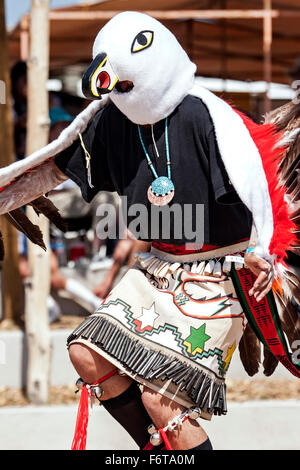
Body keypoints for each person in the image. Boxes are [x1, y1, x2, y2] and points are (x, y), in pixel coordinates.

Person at [0, 12, 299, 451]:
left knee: (161, 400)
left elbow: (258, 179)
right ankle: (156, 451)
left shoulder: (205, 115)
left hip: (219, 273)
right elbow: (51, 166)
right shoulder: (109, 119)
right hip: (156, 267)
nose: (121, 92)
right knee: (86, 352)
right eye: (115, 87)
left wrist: (265, 251)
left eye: (123, 83)